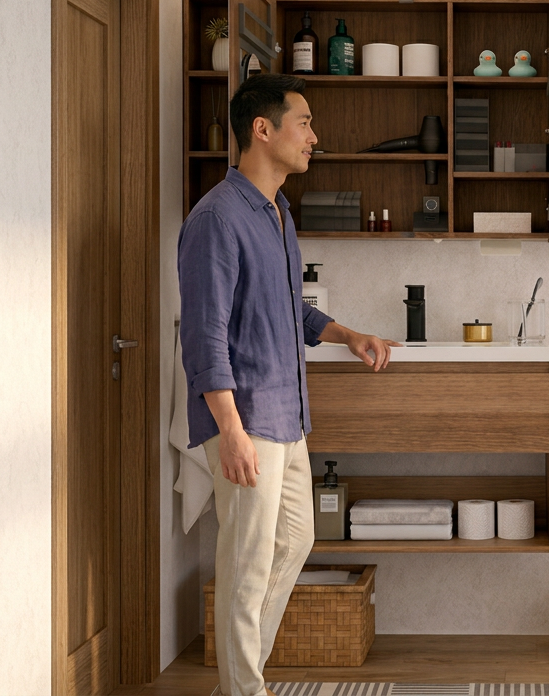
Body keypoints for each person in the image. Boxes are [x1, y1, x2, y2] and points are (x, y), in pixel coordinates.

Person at [178, 73, 398, 696]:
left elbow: (291, 310)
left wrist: (349, 335)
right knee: (246, 565)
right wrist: (230, 430)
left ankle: (239, 679)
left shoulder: (276, 213)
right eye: (304, 123)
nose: (314, 137)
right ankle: (245, 688)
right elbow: (204, 335)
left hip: (288, 416)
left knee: (296, 540)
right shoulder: (216, 219)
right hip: (247, 419)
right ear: (262, 129)